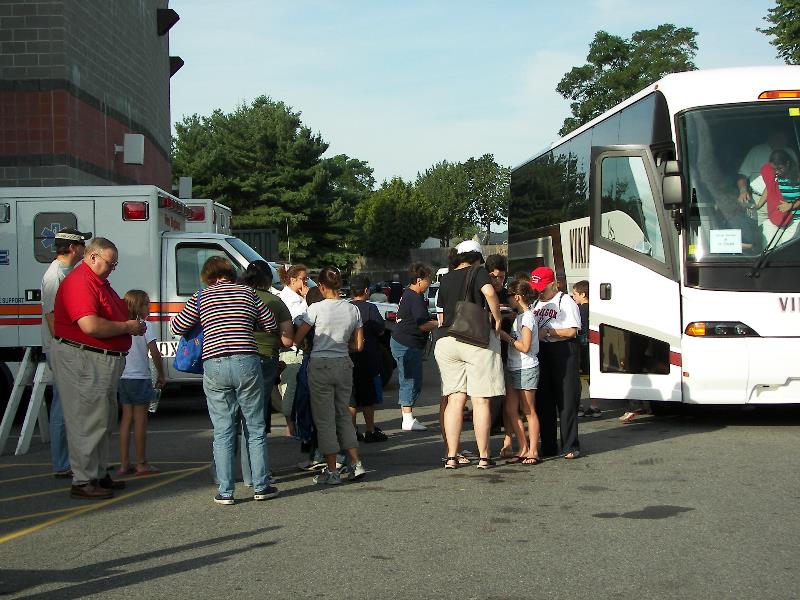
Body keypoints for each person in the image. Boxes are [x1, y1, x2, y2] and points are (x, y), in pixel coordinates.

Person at [171, 256, 278, 505]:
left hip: (214, 362)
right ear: (231, 273)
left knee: (223, 430)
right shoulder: (248, 293)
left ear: (208, 276)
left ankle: (226, 490)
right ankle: (261, 486)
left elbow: (178, 326)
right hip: (247, 361)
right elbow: (271, 323)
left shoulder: (201, 297)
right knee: (255, 427)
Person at [51, 237, 146, 499]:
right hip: (85, 359)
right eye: (109, 263)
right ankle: (84, 480)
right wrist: (128, 327)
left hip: (97, 358)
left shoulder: (96, 282)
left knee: (102, 420)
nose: (112, 268)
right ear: (92, 257)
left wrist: (127, 324)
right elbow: (90, 325)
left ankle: (97, 472)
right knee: (88, 420)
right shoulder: (81, 282)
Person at [435, 240, 505, 470]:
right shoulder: (478, 271)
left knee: (455, 400)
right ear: (477, 256)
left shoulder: (445, 278)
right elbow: (488, 293)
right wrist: (497, 317)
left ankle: (452, 456)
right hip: (474, 339)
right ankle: (484, 456)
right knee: (481, 399)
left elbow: (443, 312)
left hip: (446, 340)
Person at [294, 266, 366, 485]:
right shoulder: (353, 310)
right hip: (343, 363)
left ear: (322, 286)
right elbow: (359, 345)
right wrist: (342, 346)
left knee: (324, 419)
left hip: (320, 364)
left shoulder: (315, 309)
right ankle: (355, 463)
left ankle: (332, 470)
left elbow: (298, 337)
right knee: (344, 414)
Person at [40, 227, 91, 479]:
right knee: (62, 406)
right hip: (62, 348)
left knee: (73, 406)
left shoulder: (68, 272)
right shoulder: (54, 276)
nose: (84, 249)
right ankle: (62, 463)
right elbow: (52, 317)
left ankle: (74, 459)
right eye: (82, 244)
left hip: (70, 346)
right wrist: (65, 345)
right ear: (72, 248)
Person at [238, 261, 294, 485]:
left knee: (234, 419)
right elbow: (287, 340)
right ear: (268, 279)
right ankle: (257, 474)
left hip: (234, 357)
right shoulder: (274, 302)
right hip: (264, 359)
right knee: (256, 419)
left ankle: (232, 472)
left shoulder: (236, 296)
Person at [530, 266, 581, 460]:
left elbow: (571, 331)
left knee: (566, 399)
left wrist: (549, 332)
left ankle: (570, 444)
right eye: (537, 287)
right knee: (544, 400)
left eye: (543, 287)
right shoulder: (536, 302)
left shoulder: (565, 301)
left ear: (554, 283)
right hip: (542, 351)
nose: (540, 291)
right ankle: (549, 444)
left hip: (563, 350)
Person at [117, 290, 165, 476]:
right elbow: (154, 351)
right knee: (140, 421)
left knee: (125, 420)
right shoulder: (145, 325)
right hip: (140, 377)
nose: (149, 308)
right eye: (146, 304)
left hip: (124, 377)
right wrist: (161, 374)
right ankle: (141, 462)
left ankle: (123, 463)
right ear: (138, 306)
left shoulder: (123, 326)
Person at [496, 280, 541, 465]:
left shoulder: (528, 317)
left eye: (509, 297)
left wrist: (506, 337)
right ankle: (523, 446)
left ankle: (533, 450)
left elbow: (525, 346)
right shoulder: (520, 316)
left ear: (517, 297)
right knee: (510, 409)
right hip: (514, 366)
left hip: (526, 366)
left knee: (528, 410)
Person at [391, 263, 438, 432]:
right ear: (419, 280)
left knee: (409, 379)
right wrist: (441, 322)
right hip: (407, 343)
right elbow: (423, 325)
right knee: (410, 380)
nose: (429, 283)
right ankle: (407, 419)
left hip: (402, 341)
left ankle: (408, 417)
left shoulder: (409, 294)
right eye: (428, 279)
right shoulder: (414, 297)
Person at [348, 274, 388, 442]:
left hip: (349, 357)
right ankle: (370, 429)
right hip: (368, 359)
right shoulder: (371, 308)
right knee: (367, 398)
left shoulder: (347, 307)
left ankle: (352, 430)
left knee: (351, 398)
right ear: (366, 290)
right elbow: (380, 330)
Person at [737, 130, 798, 228]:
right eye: (777, 137)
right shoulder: (756, 151)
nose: (781, 140)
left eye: (783, 137)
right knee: (764, 234)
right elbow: (742, 175)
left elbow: (794, 176)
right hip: (759, 200)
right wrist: (743, 191)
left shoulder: (789, 152)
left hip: (783, 201)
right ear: (770, 136)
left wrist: (791, 204)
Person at [277, 264, 310, 436]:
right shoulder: (290, 299)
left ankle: (294, 425)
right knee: (290, 388)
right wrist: (306, 299)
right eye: (303, 279)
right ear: (292, 279)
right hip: (292, 349)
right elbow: (303, 320)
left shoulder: (295, 296)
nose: (306, 282)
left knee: (294, 388)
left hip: (298, 348)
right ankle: (291, 426)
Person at [754, 149, 800, 245]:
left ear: (787, 164)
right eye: (774, 169)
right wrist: (758, 205)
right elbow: (769, 189)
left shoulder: (798, 176)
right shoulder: (777, 176)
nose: (777, 172)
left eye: (779, 168)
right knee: (770, 246)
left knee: (786, 248)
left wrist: (791, 205)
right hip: (778, 218)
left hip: (796, 220)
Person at [572, 280, 600, 418]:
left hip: (582, 347)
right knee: (591, 378)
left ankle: (578, 406)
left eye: (575, 294)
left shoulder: (581, 310)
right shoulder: (594, 308)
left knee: (577, 378)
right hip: (592, 346)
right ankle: (595, 406)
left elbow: (580, 328)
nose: (574, 297)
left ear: (583, 294)